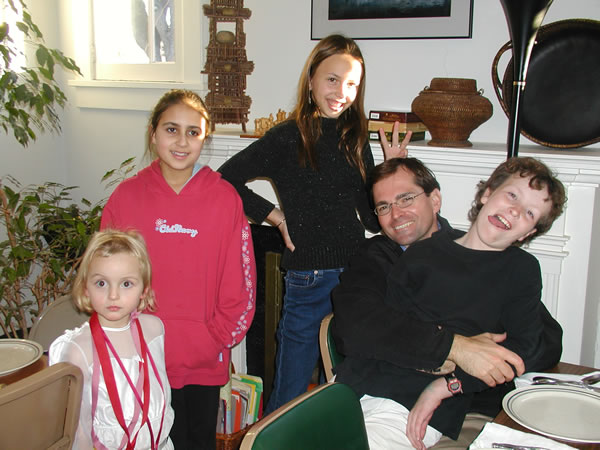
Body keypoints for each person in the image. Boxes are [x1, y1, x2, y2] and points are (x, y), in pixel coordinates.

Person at [218, 34, 409, 413]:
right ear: (311, 81)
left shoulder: (356, 139)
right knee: (290, 388)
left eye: (352, 84)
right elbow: (224, 179)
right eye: (332, 79)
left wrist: (389, 172)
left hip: (355, 277)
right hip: (309, 277)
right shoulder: (287, 137)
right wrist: (275, 217)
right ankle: (273, 437)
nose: (341, 92)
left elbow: (372, 220)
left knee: (337, 385)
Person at [332, 157, 564, 449]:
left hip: (411, 408)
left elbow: (533, 343)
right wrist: (456, 350)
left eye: (529, 212)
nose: (514, 210)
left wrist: (450, 384)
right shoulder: (413, 255)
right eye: (512, 195)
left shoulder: (520, 270)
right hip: (357, 385)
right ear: (487, 194)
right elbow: (371, 330)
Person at [100, 89, 256, 450]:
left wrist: (216, 338)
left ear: (204, 139)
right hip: (142, 358)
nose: (182, 141)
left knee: (196, 442)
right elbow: (105, 278)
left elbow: (241, 280)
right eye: (172, 129)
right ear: (153, 134)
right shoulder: (126, 198)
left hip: (203, 360)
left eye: (193, 132)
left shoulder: (224, 199)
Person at [49, 229, 175, 450]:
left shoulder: (154, 330)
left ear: (144, 289)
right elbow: (79, 429)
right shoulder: (78, 350)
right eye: (101, 283)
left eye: (126, 284)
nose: (113, 295)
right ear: (85, 288)